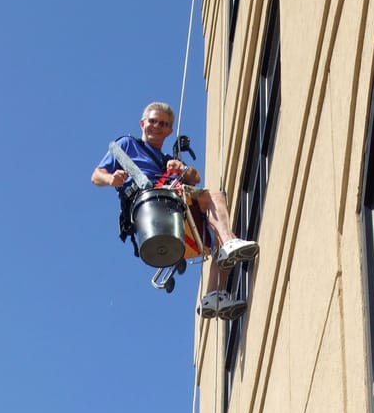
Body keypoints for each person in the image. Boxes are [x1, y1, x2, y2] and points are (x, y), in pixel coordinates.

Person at [91, 102, 258, 320]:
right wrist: (112, 179)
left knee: (217, 233)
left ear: (170, 131)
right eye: (152, 121)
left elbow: (194, 177)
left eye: (163, 124)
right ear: (142, 123)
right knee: (214, 197)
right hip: (149, 206)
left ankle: (213, 294)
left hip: (172, 208)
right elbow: (96, 175)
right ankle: (230, 242)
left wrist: (182, 169)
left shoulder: (167, 160)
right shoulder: (127, 144)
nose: (156, 126)